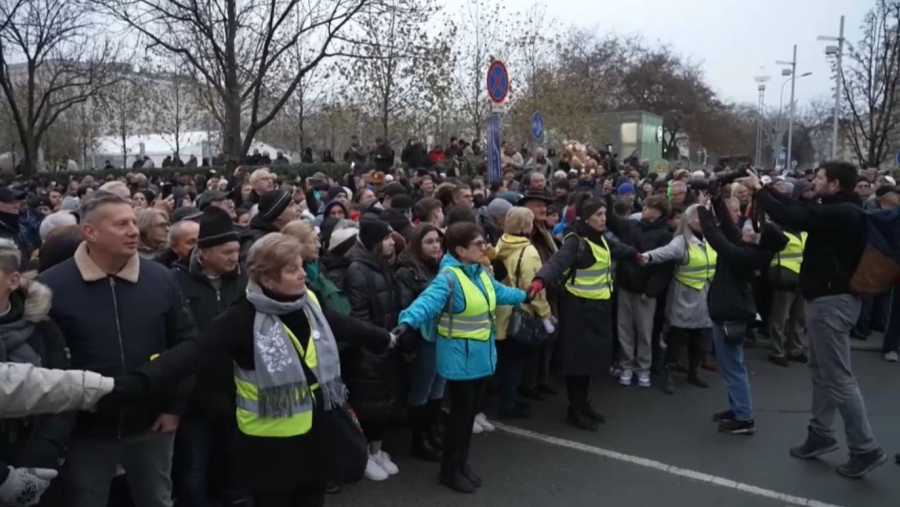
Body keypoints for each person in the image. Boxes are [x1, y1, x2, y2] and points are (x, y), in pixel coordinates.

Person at [109, 233, 394, 507]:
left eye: (301, 266)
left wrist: (386, 339)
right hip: (269, 446)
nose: (303, 274)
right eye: (292, 269)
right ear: (267, 279)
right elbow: (193, 352)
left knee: (311, 498)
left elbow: (344, 326)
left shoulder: (308, 302)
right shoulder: (242, 317)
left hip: (317, 432)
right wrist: (139, 380)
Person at [38, 193, 197, 507]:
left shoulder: (160, 279)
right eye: (121, 224)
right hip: (86, 428)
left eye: (134, 223)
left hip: (151, 422)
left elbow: (186, 343)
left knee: (156, 499)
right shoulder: (52, 286)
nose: (134, 231)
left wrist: (174, 406)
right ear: (91, 232)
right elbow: (45, 362)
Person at [747, 163, 888, 478]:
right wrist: (764, 189)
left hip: (831, 301)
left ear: (835, 184)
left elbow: (793, 216)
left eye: (820, 178)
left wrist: (759, 192)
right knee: (822, 370)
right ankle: (820, 433)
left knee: (838, 376)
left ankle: (865, 448)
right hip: (828, 299)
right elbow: (798, 208)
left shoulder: (842, 214)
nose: (815, 182)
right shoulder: (839, 209)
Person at [397, 222, 527, 493]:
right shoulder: (449, 278)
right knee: (459, 417)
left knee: (467, 417)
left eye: (484, 242)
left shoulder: (479, 273)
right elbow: (426, 303)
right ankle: (449, 471)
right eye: (478, 244)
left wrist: (526, 294)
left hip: (480, 357)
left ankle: (461, 465)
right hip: (459, 359)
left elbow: (500, 293)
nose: (484, 247)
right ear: (460, 250)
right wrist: (406, 321)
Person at [531, 194, 639, 431]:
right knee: (578, 363)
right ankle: (575, 410)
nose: (603, 219)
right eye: (598, 215)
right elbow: (557, 262)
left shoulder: (601, 239)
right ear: (586, 218)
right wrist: (540, 281)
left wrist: (636, 255)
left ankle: (584, 404)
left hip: (598, 308)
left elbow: (619, 249)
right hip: (577, 309)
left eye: (604, 214)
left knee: (591, 362)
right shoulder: (576, 241)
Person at [170, 207, 247, 507]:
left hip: (239, 389)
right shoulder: (175, 282)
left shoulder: (244, 280)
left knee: (238, 464)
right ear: (203, 253)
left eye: (237, 251)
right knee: (194, 468)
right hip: (196, 394)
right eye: (227, 252)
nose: (234, 257)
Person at [697, 194, 787, 434]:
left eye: (755, 232)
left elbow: (716, 238)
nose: (748, 230)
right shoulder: (751, 249)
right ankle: (737, 408)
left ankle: (744, 417)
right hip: (728, 311)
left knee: (733, 366)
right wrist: (717, 200)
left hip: (730, 313)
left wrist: (702, 209)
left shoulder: (746, 256)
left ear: (761, 241)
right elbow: (728, 227)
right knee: (729, 365)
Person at [0, 239, 72, 507]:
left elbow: (64, 390)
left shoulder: (43, 328)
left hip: (35, 457)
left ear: (13, 280)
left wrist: (40, 457)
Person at [342, 219, 404, 481]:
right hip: (370, 349)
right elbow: (359, 317)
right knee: (368, 406)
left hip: (386, 345)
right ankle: (364, 455)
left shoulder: (383, 265)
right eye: (387, 238)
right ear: (374, 242)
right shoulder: (357, 270)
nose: (392, 242)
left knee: (382, 404)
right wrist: (378, 341)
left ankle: (377, 451)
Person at [641, 204, 714, 395]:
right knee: (677, 336)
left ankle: (693, 372)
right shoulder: (681, 241)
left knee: (698, 337)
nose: (703, 222)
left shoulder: (710, 240)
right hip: (683, 295)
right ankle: (669, 375)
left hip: (704, 295)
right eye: (698, 218)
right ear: (688, 221)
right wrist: (645, 257)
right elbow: (664, 252)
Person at [605, 195, 673, 388]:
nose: (643, 209)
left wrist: (651, 291)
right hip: (626, 285)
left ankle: (643, 368)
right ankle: (626, 365)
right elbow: (612, 220)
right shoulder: (632, 226)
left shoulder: (664, 235)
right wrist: (608, 197)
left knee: (644, 332)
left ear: (658, 211)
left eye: (648, 207)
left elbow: (665, 267)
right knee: (624, 329)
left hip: (646, 292)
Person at [495, 208, 552, 419]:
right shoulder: (529, 252)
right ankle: (509, 403)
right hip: (520, 310)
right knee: (515, 360)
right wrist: (545, 315)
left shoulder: (501, 243)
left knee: (505, 359)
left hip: (500, 309)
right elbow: (534, 288)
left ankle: (506, 397)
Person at [395, 225, 445, 462]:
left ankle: (432, 431)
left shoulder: (441, 266)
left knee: (438, 386)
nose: (435, 246)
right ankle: (419, 440)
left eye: (437, 241)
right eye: (429, 242)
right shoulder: (406, 271)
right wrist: (408, 346)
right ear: (417, 245)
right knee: (422, 389)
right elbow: (405, 307)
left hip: (441, 334)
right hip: (423, 337)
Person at [241, 189, 300, 258]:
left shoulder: (288, 233)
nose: (298, 208)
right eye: (291, 205)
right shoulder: (257, 243)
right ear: (278, 213)